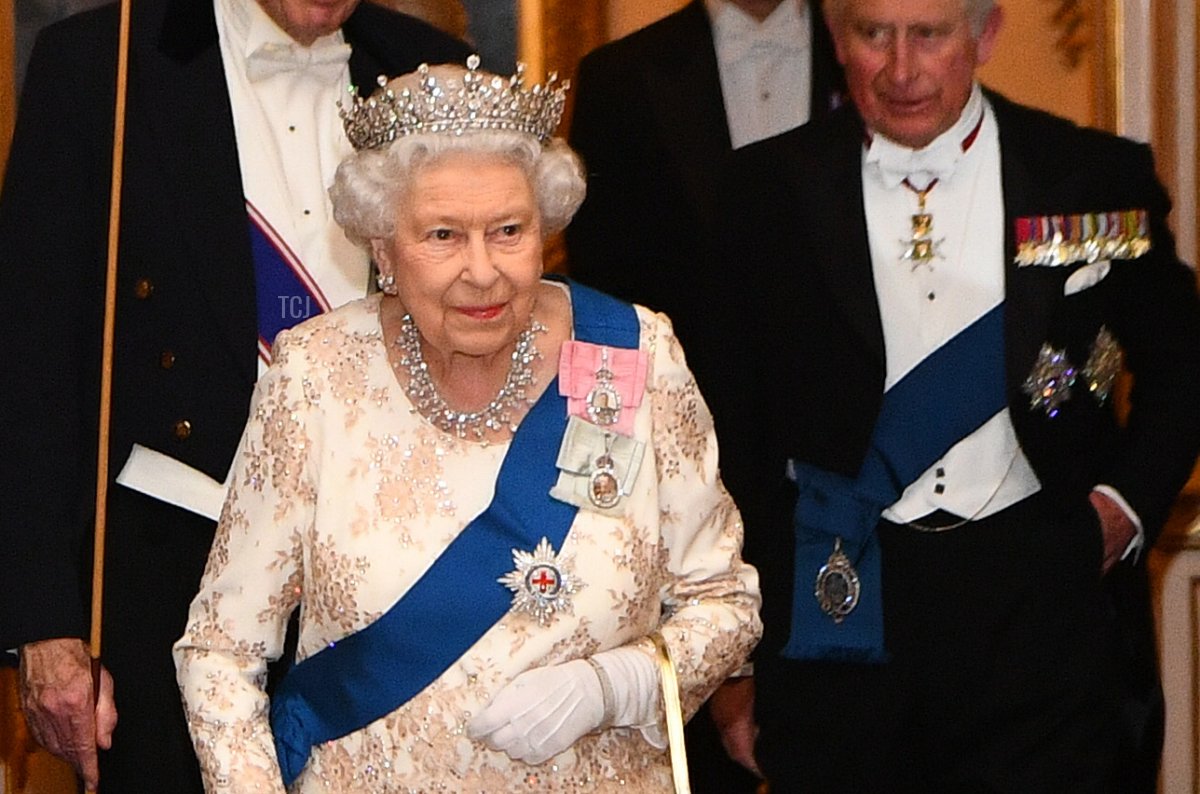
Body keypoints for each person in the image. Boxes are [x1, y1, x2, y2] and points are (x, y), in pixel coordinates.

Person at [172, 57, 762, 792]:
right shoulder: (314, 376)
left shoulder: (631, 353)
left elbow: (724, 601)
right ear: (383, 248)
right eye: (444, 236)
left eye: (508, 231)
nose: (481, 271)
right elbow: (222, 650)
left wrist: (621, 685)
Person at [715, 0, 1200, 790]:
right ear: (838, 40)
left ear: (985, 34)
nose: (901, 70)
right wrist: (735, 661)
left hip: (1042, 600)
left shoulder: (1090, 175)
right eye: (874, 35)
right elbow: (731, 429)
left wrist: (1121, 508)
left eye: (930, 35)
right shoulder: (763, 192)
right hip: (843, 603)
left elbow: (1181, 366)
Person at [0, 0, 469, 789]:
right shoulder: (103, 62)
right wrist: (45, 625)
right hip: (166, 568)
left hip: (389, 571)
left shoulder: (432, 67)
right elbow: (30, 356)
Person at [564, 4, 844, 785]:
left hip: (852, 502)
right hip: (683, 504)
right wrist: (597, 489)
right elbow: (600, 312)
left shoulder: (868, 51)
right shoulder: (622, 77)